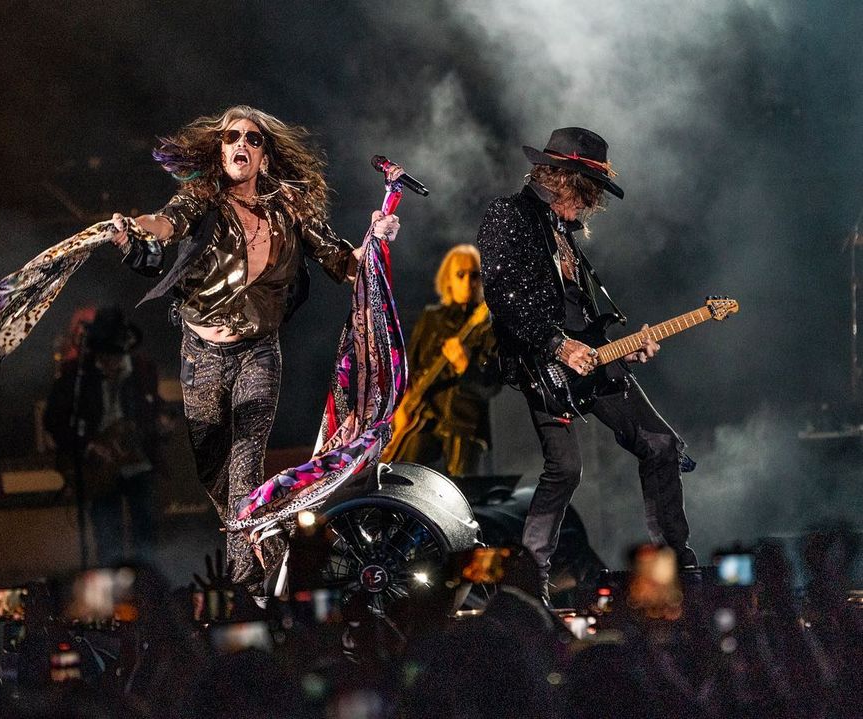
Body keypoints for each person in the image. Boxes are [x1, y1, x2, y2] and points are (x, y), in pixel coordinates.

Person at [110, 105, 401, 597]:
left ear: (264, 155)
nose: (240, 144)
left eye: (251, 138)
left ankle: (249, 588)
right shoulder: (201, 198)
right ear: (220, 149)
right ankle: (274, 541)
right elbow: (164, 224)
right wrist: (134, 228)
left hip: (259, 351)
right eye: (230, 137)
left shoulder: (290, 207)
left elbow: (344, 265)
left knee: (245, 463)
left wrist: (376, 240)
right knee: (214, 472)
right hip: (202, 353)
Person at [476, 127, 697, 604]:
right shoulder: (509, 214)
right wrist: (558, 346)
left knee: (659, 444)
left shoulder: (563, 231)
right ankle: (527, 582)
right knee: (565, 469)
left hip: (593, 358)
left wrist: (621, 347)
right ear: (565, 180)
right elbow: (503, 296)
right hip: (543, 364)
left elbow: (579, 312)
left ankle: (676, 567)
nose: (593, 203)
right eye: (590, 191)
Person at [43, 306, 164, 565]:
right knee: (107, 533)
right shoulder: (76, 373)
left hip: (136, 462)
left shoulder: (143, 370)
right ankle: (111, 580)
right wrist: (89, 445)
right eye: (103, 356)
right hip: (97, 467)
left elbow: (154, 409)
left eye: (113, 356)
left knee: (145, 528)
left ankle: (146, 579)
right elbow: (53, 419)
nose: (108, 363)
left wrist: (163, 420)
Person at [386, 245, 502, 476]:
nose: (468, 281)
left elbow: (491, 386)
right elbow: (407, 368)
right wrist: (401, 406)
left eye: (475, 275)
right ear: (448, 279)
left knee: (460, 489)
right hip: (422, 417)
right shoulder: (431, 318)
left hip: (465, 424)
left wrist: (465, 366)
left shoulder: (487, 327)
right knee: (403, 478)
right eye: (461, 274)